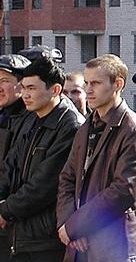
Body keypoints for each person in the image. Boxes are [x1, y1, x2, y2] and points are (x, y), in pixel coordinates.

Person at [56, 54, 136, 262]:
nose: (89, 90)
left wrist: (75, 226)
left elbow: (124, 190)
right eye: (87, 83)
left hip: (114, 246)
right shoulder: (87, 126)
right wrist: (68, 224)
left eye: (96, 83)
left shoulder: (133, 129)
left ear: (118, 84)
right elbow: (67, 178)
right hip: (80, 246)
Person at [0, 58, 83, 262]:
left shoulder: (70, 125)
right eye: (23, 88)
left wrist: (5, 211)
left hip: (46, 238)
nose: (25, 95)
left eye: (31, 88)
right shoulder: (31, 118)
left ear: (55, 90)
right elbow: (10, 167)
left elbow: (44, 185)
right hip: (21, 232)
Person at [0, 54, 31, 262]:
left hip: (16, 224)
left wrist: (5, 209)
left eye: (4, 81)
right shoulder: (4, 115)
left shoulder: (30, 120)